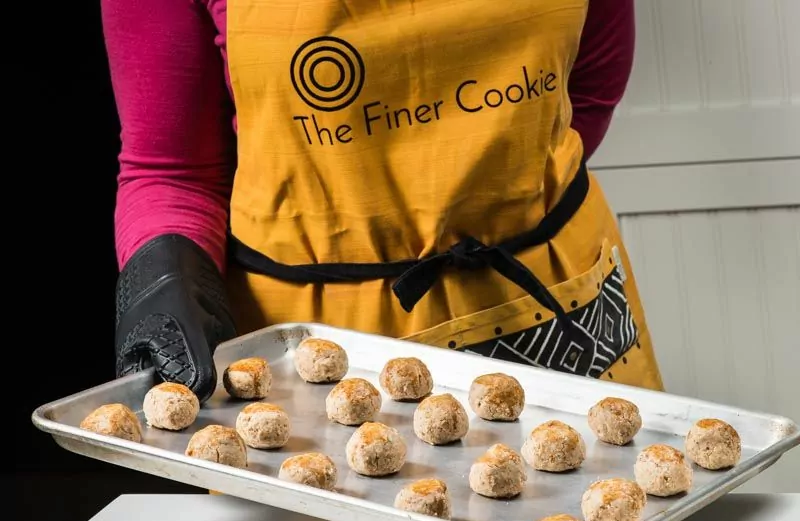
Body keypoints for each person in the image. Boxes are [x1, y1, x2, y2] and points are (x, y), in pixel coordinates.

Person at [104, 0, 663, 404]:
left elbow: (588, 89)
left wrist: (493, 198)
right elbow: (171, 170)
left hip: (554, 306)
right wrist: (162, 277)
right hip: (321, 354)